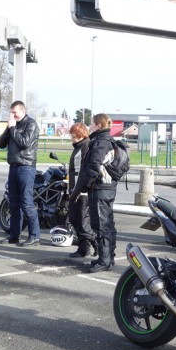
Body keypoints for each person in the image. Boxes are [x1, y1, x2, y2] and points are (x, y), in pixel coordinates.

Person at [71, 113, 117, 272]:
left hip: (100, 188)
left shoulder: (100, 142)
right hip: (107, 188)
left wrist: (87, 185)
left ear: (98, 125)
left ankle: (104, 260)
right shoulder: (107, 140)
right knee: (108, 224)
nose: (90, 126)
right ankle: (108, 258)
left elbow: (94, 165)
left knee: (101, 225)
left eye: (92, 124)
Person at [0, 100, 40, 247]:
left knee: (26, 202)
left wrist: (13, 129)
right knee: (13, 203)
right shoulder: (13, 126)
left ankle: (34, 235)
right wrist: (8, 129)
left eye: (14, 112)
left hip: (26, 167)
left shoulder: (31, 124)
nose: (12, 115)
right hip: (14, 167)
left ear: (22, 111)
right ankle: (14, 235)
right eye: (11, 112)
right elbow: (1, 143)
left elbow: (24, 143)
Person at [66, 122, 96, 258]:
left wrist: (78, 190)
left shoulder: (85, 147)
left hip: (81, 191)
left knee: (82, 222)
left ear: (79, 135)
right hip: (75, 189)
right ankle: (86, 247)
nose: (71, 138)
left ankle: (92, 246)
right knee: (74, 219)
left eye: (73, 135)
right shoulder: (79, 147)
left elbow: (83, 172)